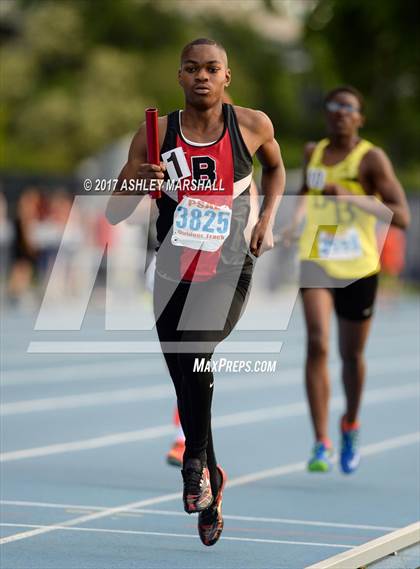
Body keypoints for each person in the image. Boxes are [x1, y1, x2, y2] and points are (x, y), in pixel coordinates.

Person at [107, 38, 285, 546]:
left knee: (197, 352)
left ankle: (192, 462)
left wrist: (266, 217)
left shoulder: (252, 124)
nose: (202, 76)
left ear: (227, 76)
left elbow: (276, 168)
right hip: (171, 272)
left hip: (229, 269)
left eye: (212, 68)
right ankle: (213, 475)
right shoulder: (155, 135)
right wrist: (133, 180)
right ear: (179, 76)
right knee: (187, 383)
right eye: (192, 68)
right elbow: (116, 213)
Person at [283, 86, 410, 474]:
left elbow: (401, 216)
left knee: (350, 356)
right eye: (335, 106)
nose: (341, 112)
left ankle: (350, 423)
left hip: (358, 265)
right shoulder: (314, 152)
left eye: (349, 108)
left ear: (360, 118)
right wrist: (293, 222)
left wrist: (350, 197)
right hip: (317, 257)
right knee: (318, 341)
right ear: (327, 112)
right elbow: (307, 188)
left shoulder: (370, 159)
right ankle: (321, 441)